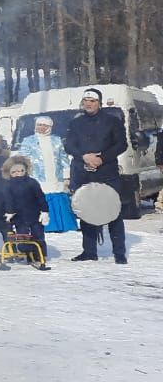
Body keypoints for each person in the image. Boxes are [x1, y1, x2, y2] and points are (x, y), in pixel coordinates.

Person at [64, 88, 128, 263]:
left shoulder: (112, 121)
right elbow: (69, 145)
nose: (89, 104)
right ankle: (89, 251)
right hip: (83, 172)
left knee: (113, 212)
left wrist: (102, 158)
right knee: (87, 212)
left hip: (107, 172)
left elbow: (122, 144)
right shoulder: (76, 123)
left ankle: (119, 253)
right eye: (86, 100)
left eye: (92, 101)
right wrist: (83, 156)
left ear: (99, 102)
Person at [18, 116, 77, 233]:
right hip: (37, 176)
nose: (41, 128)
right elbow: (23, 159)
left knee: (58, 197)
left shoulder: (56, 140)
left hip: (56, 176)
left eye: (45, 126)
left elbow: (63, 158)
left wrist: (66, 175)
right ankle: (46, 225)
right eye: (39, 125)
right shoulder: (28, 141)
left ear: (50, 127)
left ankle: (63, 224)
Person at [1, 155, 49, 261]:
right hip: (19, 217)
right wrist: (9, 212)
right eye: (14, 172)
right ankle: (27, 253)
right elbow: (8, 200)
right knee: (22, 237)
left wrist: (45, 211)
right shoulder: (8, 185)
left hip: (34, 215)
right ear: (9, 173)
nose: (18, 174)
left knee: (38, 236)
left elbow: (40, 197)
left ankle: (40, 255)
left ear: (25, 170)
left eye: (20, 171)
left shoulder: (32, 183)